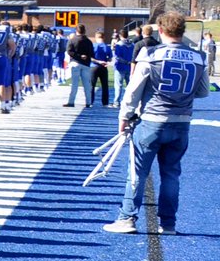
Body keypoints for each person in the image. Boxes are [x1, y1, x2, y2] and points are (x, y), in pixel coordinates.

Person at [104, 12, 211, 236]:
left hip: (152, 120)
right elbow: (202, 92)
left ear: (160, 30)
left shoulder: (151, 53)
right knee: (171, 174)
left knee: (137, 172)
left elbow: (133, 90)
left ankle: (127, 218)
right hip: (181, 122)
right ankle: (168, 224)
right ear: (182, 31)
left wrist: (124, 116)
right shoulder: (198, 57)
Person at [64, 24, 96, 108]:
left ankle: (71, 102)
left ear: (76, 30)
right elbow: (92, 53)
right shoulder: (88, 41)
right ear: (84, 31)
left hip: (75, 63)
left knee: (74, 84)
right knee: (87, 85)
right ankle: (88, 102)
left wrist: (78, 56)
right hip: (86, 64)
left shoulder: (72, 40)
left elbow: (69, 51)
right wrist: (86, 56)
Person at [90, 31, 113, 107]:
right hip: (103, 67)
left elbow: (90, 58)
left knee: (92, 85)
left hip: (94, 66)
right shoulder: (107, 47)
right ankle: (105, 103)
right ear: (104, 37)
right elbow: (110, 58)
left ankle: (90, 102)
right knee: (105, 85)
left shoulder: (93, 46)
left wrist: (98, 61)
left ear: (96, 37)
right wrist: (105, 61)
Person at [112, 32, 134, 109]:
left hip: (120, 67)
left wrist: (125, 61)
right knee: (130, 86)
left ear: (120, 36)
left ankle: (116, 102)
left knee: (118, 85)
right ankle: (129, 102)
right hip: (130, 67)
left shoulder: (119, 45)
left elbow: (117, 57)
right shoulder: (132, 45)